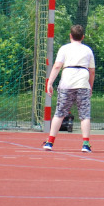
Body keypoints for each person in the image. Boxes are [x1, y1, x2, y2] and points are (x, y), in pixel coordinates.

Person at [43, 24, 96, 153]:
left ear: (70, 36)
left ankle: (50, 141)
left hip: (67, 82)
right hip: (82, 83)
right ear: (82, 37)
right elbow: (92, 71)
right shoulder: (88, 50)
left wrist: (50, 82)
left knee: (59, 113)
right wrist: (90, 86)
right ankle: (85, 144)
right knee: (84, 115)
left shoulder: (64, 49)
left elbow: (56, 66)